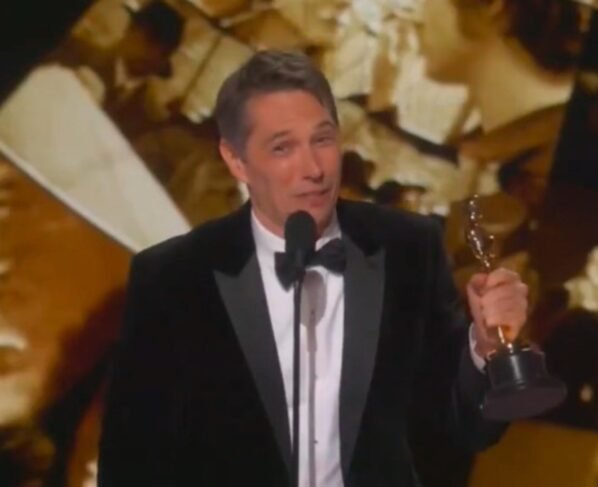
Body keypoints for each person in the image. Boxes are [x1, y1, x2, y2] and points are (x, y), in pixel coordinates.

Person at [98, 50, 529, 486]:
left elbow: (467, 427)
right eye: (282, 147)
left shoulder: (411, 252)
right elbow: (131, 449)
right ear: (237, 160)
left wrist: (485, 347)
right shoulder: (172, 275)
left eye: (322, 140)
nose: (313, 169)